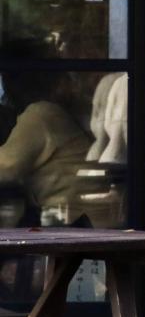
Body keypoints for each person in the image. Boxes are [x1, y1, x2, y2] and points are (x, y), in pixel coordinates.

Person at [0, 60, 95, 226]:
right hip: (75, 215)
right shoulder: (50, 112)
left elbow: (6, 167)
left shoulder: (41, 114)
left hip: (70, 218)